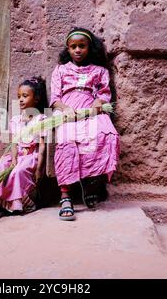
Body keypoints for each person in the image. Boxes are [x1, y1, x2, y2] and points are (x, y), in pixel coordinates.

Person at [50, 27, 120, 221]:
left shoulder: (99, 71)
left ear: (90, 47)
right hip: (67, 110)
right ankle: (65, 195)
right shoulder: (61, 70)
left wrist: (99, 103)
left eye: (82, 46)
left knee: (107, 134)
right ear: (68, 48)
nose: (78, 50)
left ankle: (91, 184)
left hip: (91, 109)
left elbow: (104, 94)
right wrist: (65, 109)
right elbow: (55, 98)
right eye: (73, 47)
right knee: (67, 141)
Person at [0, 77, 48, 222]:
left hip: (32, 156)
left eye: (25, 96)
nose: (20, 100)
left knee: (19, 171)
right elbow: (14, 143)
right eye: (19, 96)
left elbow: (42, 145)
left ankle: (21, 205)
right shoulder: (16, 120)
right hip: (17, 155)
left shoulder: (41, 119)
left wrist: (39, 169)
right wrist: (13, 159)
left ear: (36, 98)